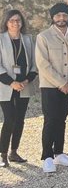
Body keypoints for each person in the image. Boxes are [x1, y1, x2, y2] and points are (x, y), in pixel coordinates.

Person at [35, 3, 68, 173]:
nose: (61, 19)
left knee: (62, 120)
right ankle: (47, 156)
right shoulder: (44, 37)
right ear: (53, 17)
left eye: (64, 15)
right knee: (50, 120)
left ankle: (59, 153)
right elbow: (43, 64)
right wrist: (61, 83)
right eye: (58, 16)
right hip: (50, 86)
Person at [0, 10, 38, 166]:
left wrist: (27, 80)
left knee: (20, 120)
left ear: (22, 23)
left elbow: (34, 65)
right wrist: (11, 82)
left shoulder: (28, 40)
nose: (15, 23)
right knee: (9, 118)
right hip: (5, 86)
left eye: (18, 20)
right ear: (6, 22)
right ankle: (2, 154)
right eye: (12, 20)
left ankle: (14, 152)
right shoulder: (1, 40)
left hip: (24, 86)